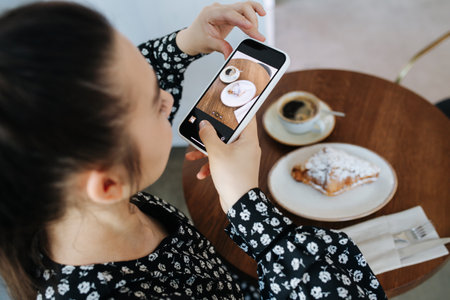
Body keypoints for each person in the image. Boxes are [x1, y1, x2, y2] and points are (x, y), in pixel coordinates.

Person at [0, 1, 387, 299]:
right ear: (107, 184)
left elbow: (115, 100)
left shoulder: (57, 188)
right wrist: (248, 209)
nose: (169, 99)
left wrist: (184, 43)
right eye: (155, 103)